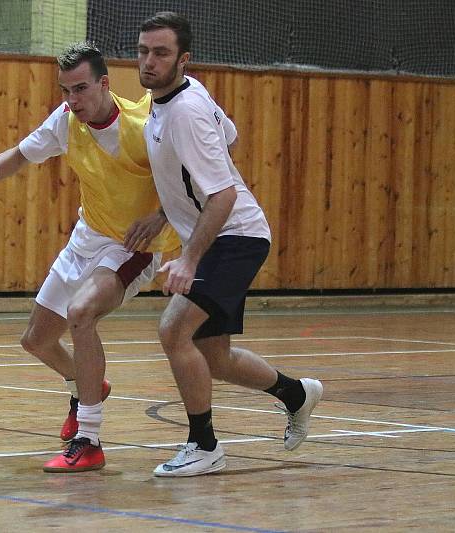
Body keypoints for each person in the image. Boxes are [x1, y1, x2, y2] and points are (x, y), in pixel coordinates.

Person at [0, 41, 179, 473]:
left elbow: (194, 177)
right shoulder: (65, 121)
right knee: (35, 341)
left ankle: (89, 439)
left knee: (81, 314)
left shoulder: (143, 127)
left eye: (80, 89)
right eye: (65, 91)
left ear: (104, 83)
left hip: (133, 245)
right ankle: (89, 382)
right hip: (88, 236)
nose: (72, 100)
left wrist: (161, 217)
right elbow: (20, 155)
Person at [137, 12, 323, 477]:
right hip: (225, 237)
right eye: (143, 51)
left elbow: (223, 193)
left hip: (234, 237)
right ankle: (296, 394)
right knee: (212, 354)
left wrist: (189, 258)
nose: (149, 61)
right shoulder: (180, 95)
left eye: (160, 53)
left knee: (173, 332)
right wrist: (165, 211)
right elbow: (229, 138)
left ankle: (204, 446)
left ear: (184, 59)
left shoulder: (186, 111)